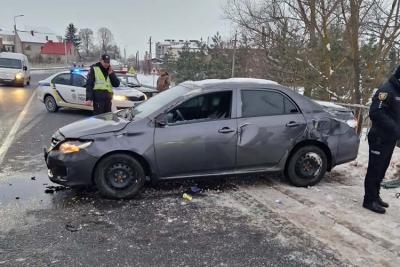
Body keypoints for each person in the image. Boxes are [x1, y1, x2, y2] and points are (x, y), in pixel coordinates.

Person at [363, 65, 400, 214]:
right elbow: (376, 112)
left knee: (382, 169)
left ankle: (375, 195)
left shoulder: (397, 91)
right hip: (379, 137)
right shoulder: (386, 90)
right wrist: (395, 128)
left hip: (389, 138)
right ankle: (368, 200)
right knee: (375, 169)